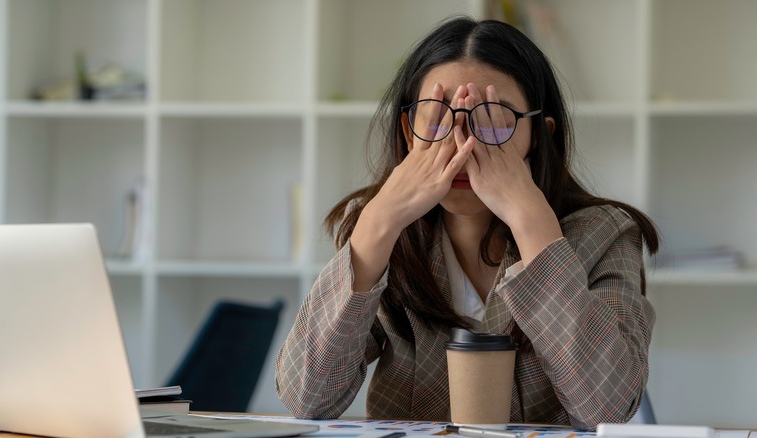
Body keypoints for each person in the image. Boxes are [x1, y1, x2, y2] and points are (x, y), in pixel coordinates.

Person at [275, 16, 659, 431]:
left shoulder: (605, 234)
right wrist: (378, 223)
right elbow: (306, 398)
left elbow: (607, 410)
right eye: (438, 117)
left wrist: (533, 224)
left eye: (492, 119)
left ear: (539, 135)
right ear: (408, 131)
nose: (462, 143)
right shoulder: (383, 231)